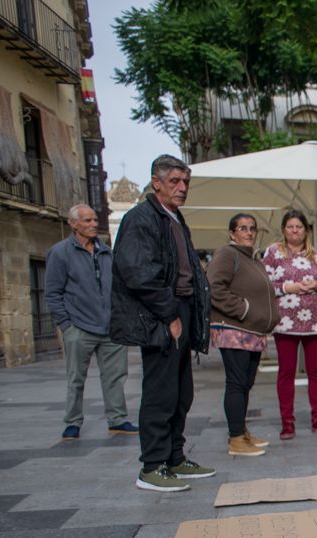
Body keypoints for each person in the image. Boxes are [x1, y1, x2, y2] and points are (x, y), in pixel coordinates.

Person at [111, 154, 214, 492]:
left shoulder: (173, 217)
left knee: (181, 391)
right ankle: (152, 466)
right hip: (159, 315)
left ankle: (174, 457)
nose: (182, 188)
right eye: (174, 181)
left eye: (186, 182)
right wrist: (169, 314)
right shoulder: (141, 219)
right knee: (161, 392)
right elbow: (139, 274)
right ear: (156, 182)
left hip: (180, 310)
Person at [45, 203, 137, 440]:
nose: (94, 224)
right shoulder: (60, 252)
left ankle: (117, 419)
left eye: (95, 220)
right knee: (76, 378)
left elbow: (119, 287)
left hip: (110, 327)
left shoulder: (107, 251)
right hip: (78, 327)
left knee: (116, 377)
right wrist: (66, 324)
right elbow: (53, 292)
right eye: (87, 221)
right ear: (73, 224)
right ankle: (73, 422)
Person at [205, 214, 281, 456]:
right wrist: (243, 309)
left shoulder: (253, 260)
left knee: (246, 384)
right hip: (235, 329)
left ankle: (241, 431)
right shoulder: (227, 254)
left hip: (253, 331)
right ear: (231, 233)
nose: (249, 233)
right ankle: (235, 439)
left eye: (252, 229)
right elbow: (213, 287)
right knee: (237, 384)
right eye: (243, 228)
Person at [262, 209, 317, 438]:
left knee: (316, 372)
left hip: (315, 323)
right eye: (290, 226)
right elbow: (263, 285)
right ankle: (287, 422)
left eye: (299, 227)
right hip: (285, 323)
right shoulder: (273, 253)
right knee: (286, 372)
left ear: (306, 230)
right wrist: (289, 288)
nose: (295, 230)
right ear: (284, 230)